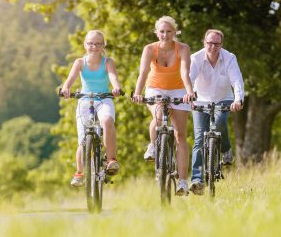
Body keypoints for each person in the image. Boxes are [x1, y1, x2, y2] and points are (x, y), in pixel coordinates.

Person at [132, 16, 195, 195]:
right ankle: (153, 146)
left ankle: (183, 181)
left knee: (180, 134)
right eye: (161, 31)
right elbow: (143, 72)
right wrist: (137, 93)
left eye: (169, 31)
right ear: (156, 33)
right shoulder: (149, 49)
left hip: (178, 89)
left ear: (175, 32)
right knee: (158, 115)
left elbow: (184, 72)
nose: (165, 35)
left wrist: (189, 92)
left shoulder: (183, 49)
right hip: (155, 88)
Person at [60, 30, 123, 187]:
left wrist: (116, 87)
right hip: (85, 100)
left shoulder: (108, 62)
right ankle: (80, 172)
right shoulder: (80, 62)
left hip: (104, 99)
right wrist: (66, 89)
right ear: (85, 45)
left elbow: (113, 77)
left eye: (98, 44)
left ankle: (111, 160)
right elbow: (70, 79)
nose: (94, 47)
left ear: (103, 45)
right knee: (83, 140)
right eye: (90, 43)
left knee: (107, 121)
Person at [189, 29, 244, 195]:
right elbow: (189, 79)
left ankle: (226, 149)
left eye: (216, 44)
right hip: (200, 101)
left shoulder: (229, 58)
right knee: (199, 139)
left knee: (220, 123)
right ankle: (197, 180)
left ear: (221, 44)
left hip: (224, 99)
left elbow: (237, 80)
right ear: (204, 42)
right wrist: (188, 95)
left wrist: (238, 99)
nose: (212, 46)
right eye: (209, 43)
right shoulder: (196, 58)